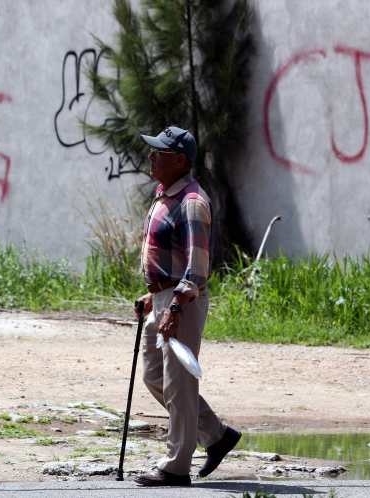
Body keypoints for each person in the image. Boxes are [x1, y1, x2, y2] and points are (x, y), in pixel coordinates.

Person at [132, 125, 241, 487]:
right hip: (164, 298)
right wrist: (154, 296)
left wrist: (175, 306)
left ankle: (176, 467)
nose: (151, 157)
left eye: (159, 153)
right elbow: (173, 258)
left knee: (179, 384)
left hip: (183, 301)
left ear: (179, 160)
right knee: (156, 376)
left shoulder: (192, 202)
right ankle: (215, 435)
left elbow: (196, 267)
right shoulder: (166, 195)